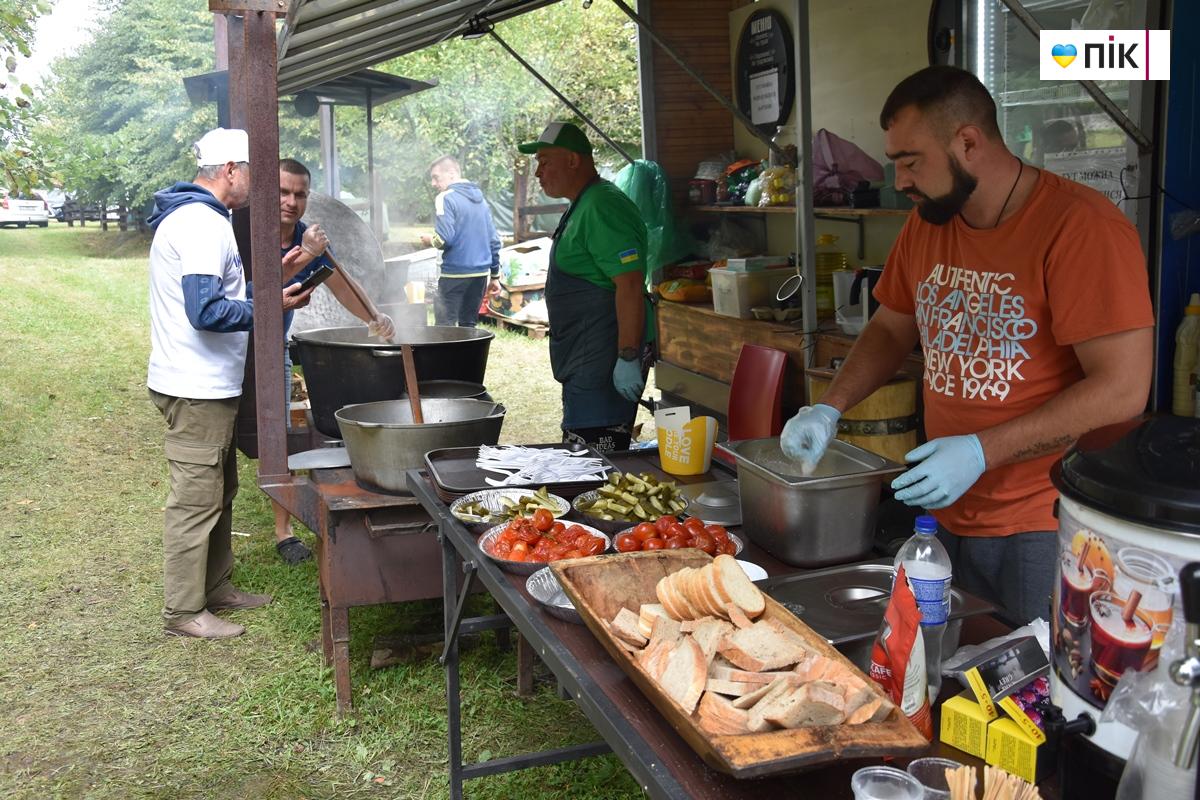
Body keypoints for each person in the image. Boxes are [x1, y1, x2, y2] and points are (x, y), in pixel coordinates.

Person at [780, 66, 1153, 626]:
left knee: (1021, 687)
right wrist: (830, 406)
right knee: (940, 672)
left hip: (1041, 520)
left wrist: (982, 450)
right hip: (943, 513)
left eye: (910, 160)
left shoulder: (1081, 228)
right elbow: (889, 328)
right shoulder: (930, 222)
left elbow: (1123, 389)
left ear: (969, 142)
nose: (899, 179)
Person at [146, 128, 313, 639]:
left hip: (212, 386)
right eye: (256, 176)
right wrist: (271, 306)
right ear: (230, 170)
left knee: (221, 490)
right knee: (196, 500)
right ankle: (182, 612)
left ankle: (215, 588)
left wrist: (274, 282)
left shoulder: (210, 219)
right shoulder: (199, 223)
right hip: (194, 387)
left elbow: (225, 293)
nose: (263, 189)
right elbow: (205, 311)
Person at [271, 158, 396, 565]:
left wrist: (374, 316)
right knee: (245, 440)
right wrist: (301, 256)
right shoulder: (249, 232)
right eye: (283, 192)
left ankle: (283, 531)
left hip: (275, 347)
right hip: (234, 346)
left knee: (281, 434)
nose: (291, 202)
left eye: (299, 194)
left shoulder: (307, 235)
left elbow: (340, 281)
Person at [516, 122, 652, 453]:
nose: (538, 172)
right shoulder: (583, 202)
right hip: (584, 357)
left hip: (605, 359)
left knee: (597, 462)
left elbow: (631, 285)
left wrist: (628, 356)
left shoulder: (603, 206)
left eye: (545, 161)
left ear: (574, 161)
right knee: (584, 455)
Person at [419, 156, 501, 326]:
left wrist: (429, 240)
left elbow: (444, 239)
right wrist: (495, 276)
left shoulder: (445, 197)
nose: (433, 183)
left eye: (436, 177)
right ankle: (468, 354)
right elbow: (493, 240)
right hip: (480, 275)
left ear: (451, 173)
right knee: (469, 325)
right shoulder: (482, 201)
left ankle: (442, 354)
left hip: (454, 274)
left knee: (444, 326)